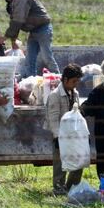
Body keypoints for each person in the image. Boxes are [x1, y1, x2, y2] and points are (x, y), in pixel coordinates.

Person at [0, 0, 60, 77]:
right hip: (33, 31)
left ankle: (59, 79)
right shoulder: (13, 0)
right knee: (30, 60)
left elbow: (18, 21)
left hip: (43, 29)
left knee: (47, 57)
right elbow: (15, 20)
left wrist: (5, 37)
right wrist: (13, 40)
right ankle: (31, 84)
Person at [44, 63, 84, 195]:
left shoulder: (75, 93)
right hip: (60, 135)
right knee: (60, 164)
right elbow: (52, 118)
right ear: (65, 79)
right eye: (73, 81)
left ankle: (71, 187)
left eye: (77, 81)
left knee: (78, 162)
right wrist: (57, 137)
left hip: (73, 134)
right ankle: (59, 189)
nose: (75, 84)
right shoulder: (55, 95)